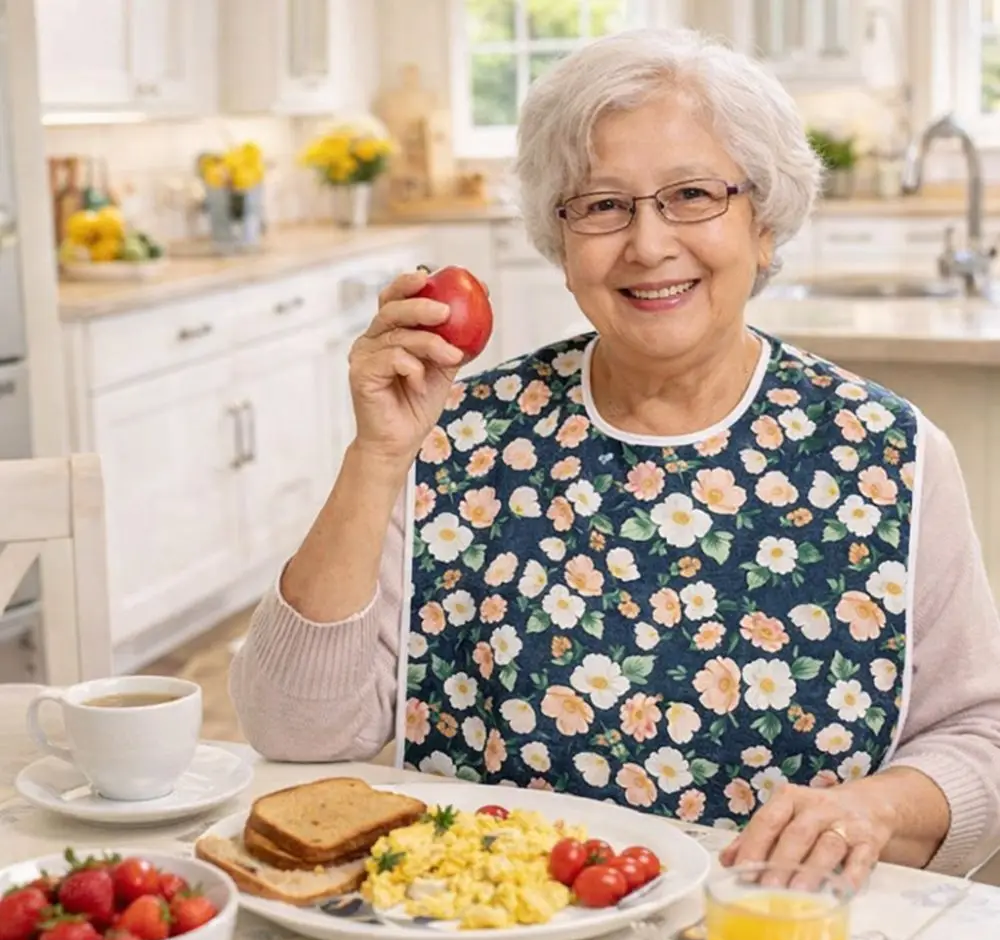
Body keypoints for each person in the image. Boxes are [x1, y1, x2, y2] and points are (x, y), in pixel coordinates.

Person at [230, 28, 1000, 883]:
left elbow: (983, 738)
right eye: (601, 205)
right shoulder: (454, 434)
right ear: (561, 247)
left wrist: (877, 807)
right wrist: (376, 455)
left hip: (764, 933)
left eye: (693, 195)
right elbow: (291, 733)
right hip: (494, 939)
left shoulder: (887, 452)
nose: (647, 242)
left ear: (766, 225)